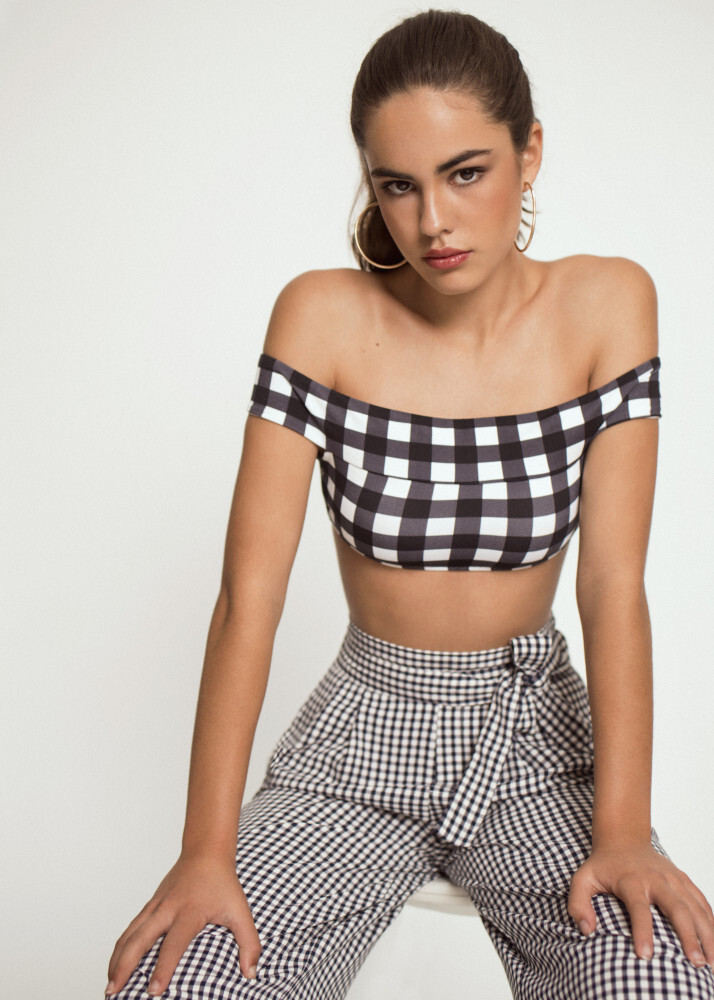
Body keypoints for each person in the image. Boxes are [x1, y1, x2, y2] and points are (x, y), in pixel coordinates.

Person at [105, 10, 714, 999]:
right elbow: (248, 601)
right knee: (181, 980)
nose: (433, 220)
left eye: (466, 172)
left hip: (537, 744)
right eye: (398, 184)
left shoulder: (608, 305)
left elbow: (612, 586)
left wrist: (624, 833)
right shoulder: (321, 316)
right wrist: (204, 854)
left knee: (657, 978)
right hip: (356, 744)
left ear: (530, 152)